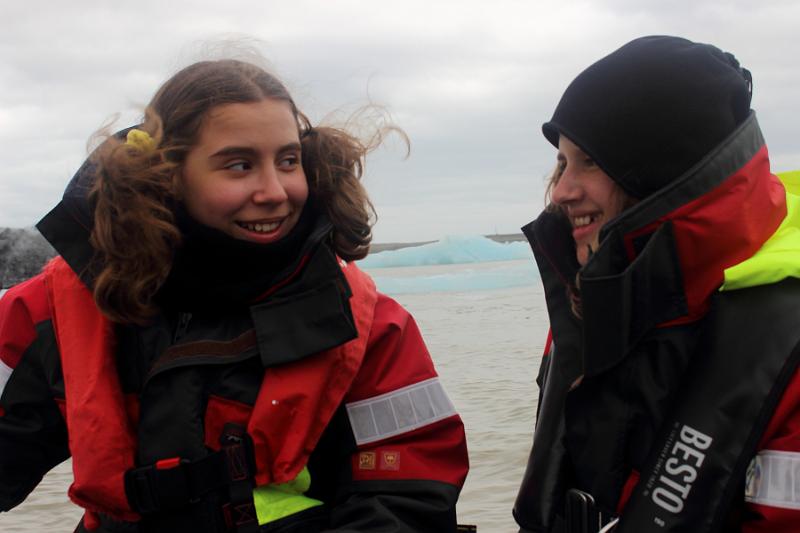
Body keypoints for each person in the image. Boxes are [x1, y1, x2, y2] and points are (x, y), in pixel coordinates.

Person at [0, 58, 469, 533]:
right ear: (167, 174)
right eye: (240, 165)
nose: (275, 191)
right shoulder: (55, 308)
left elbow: (409, 496)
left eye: (288, 161)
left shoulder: (366, 323)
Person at [513, 35, 800, 532]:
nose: (561, 191)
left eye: (590, 161)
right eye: (562, 163)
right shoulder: (588, 306)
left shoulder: (787, 347)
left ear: (665, 173)